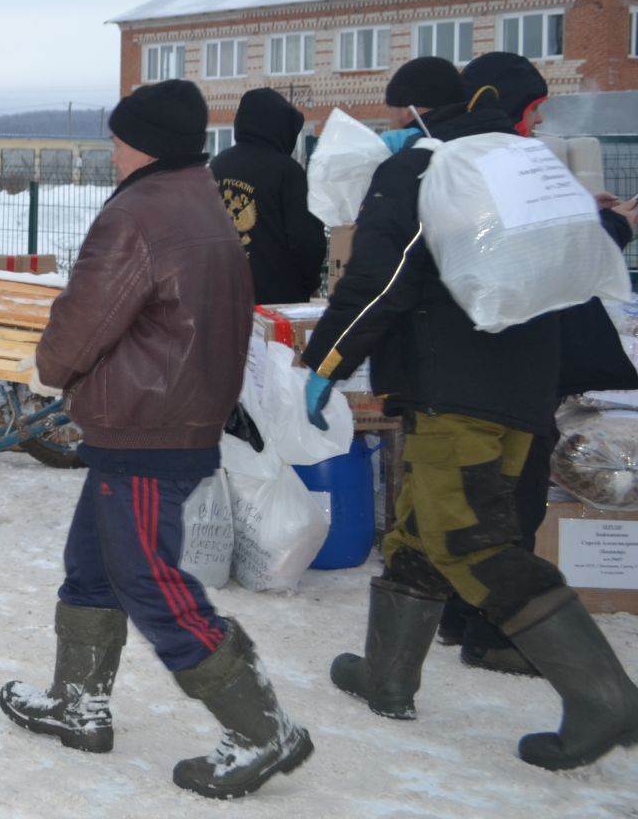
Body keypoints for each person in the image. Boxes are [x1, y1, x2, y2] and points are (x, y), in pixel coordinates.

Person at [303, 51, 638, 770]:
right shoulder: (519, 166)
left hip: (455, 393)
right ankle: (386, 675)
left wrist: (325, 362)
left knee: (472, 540)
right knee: (421, 530)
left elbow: (380, 277)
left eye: (398, 113)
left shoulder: (427, 169)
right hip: (525, 388)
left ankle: (605, 696)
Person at [1, 79, 312, 801]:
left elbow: (87, 316)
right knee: (92, 564)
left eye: (115, 137)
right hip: (168, 413)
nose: (109, 150)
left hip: (149, 425)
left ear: (144, 142)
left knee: (149, 580)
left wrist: (52, 369)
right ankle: (79, 705)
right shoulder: (198, 196)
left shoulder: (139, 212)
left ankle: (262, 728)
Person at [211, 87, 326, 305]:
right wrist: (309, 284)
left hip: (222, 295)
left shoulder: (218, 165)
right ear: (281, 128)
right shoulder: (287, 171)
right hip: (275, 300)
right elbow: (306, 240)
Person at [379, 55, 464, 151]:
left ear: (409, 113)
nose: (390, 125)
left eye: (390, 110)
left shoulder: (409, 159)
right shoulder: (474, 140)